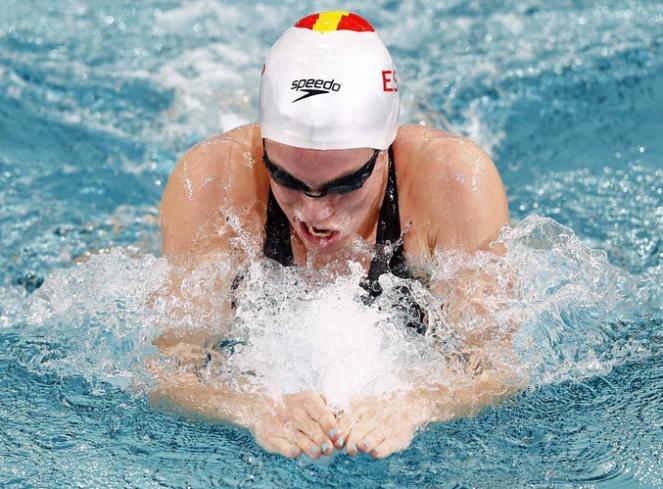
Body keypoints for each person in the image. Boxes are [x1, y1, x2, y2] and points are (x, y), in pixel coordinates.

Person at [153, 11, 518, 460]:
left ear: (385, 150)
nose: (313, 213)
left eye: (344, 185)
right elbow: (170, 368)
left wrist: (420, 402)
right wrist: (251, 408)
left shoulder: (452, 182)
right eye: (284, 178)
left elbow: (498, 366)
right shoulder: (214, 180)